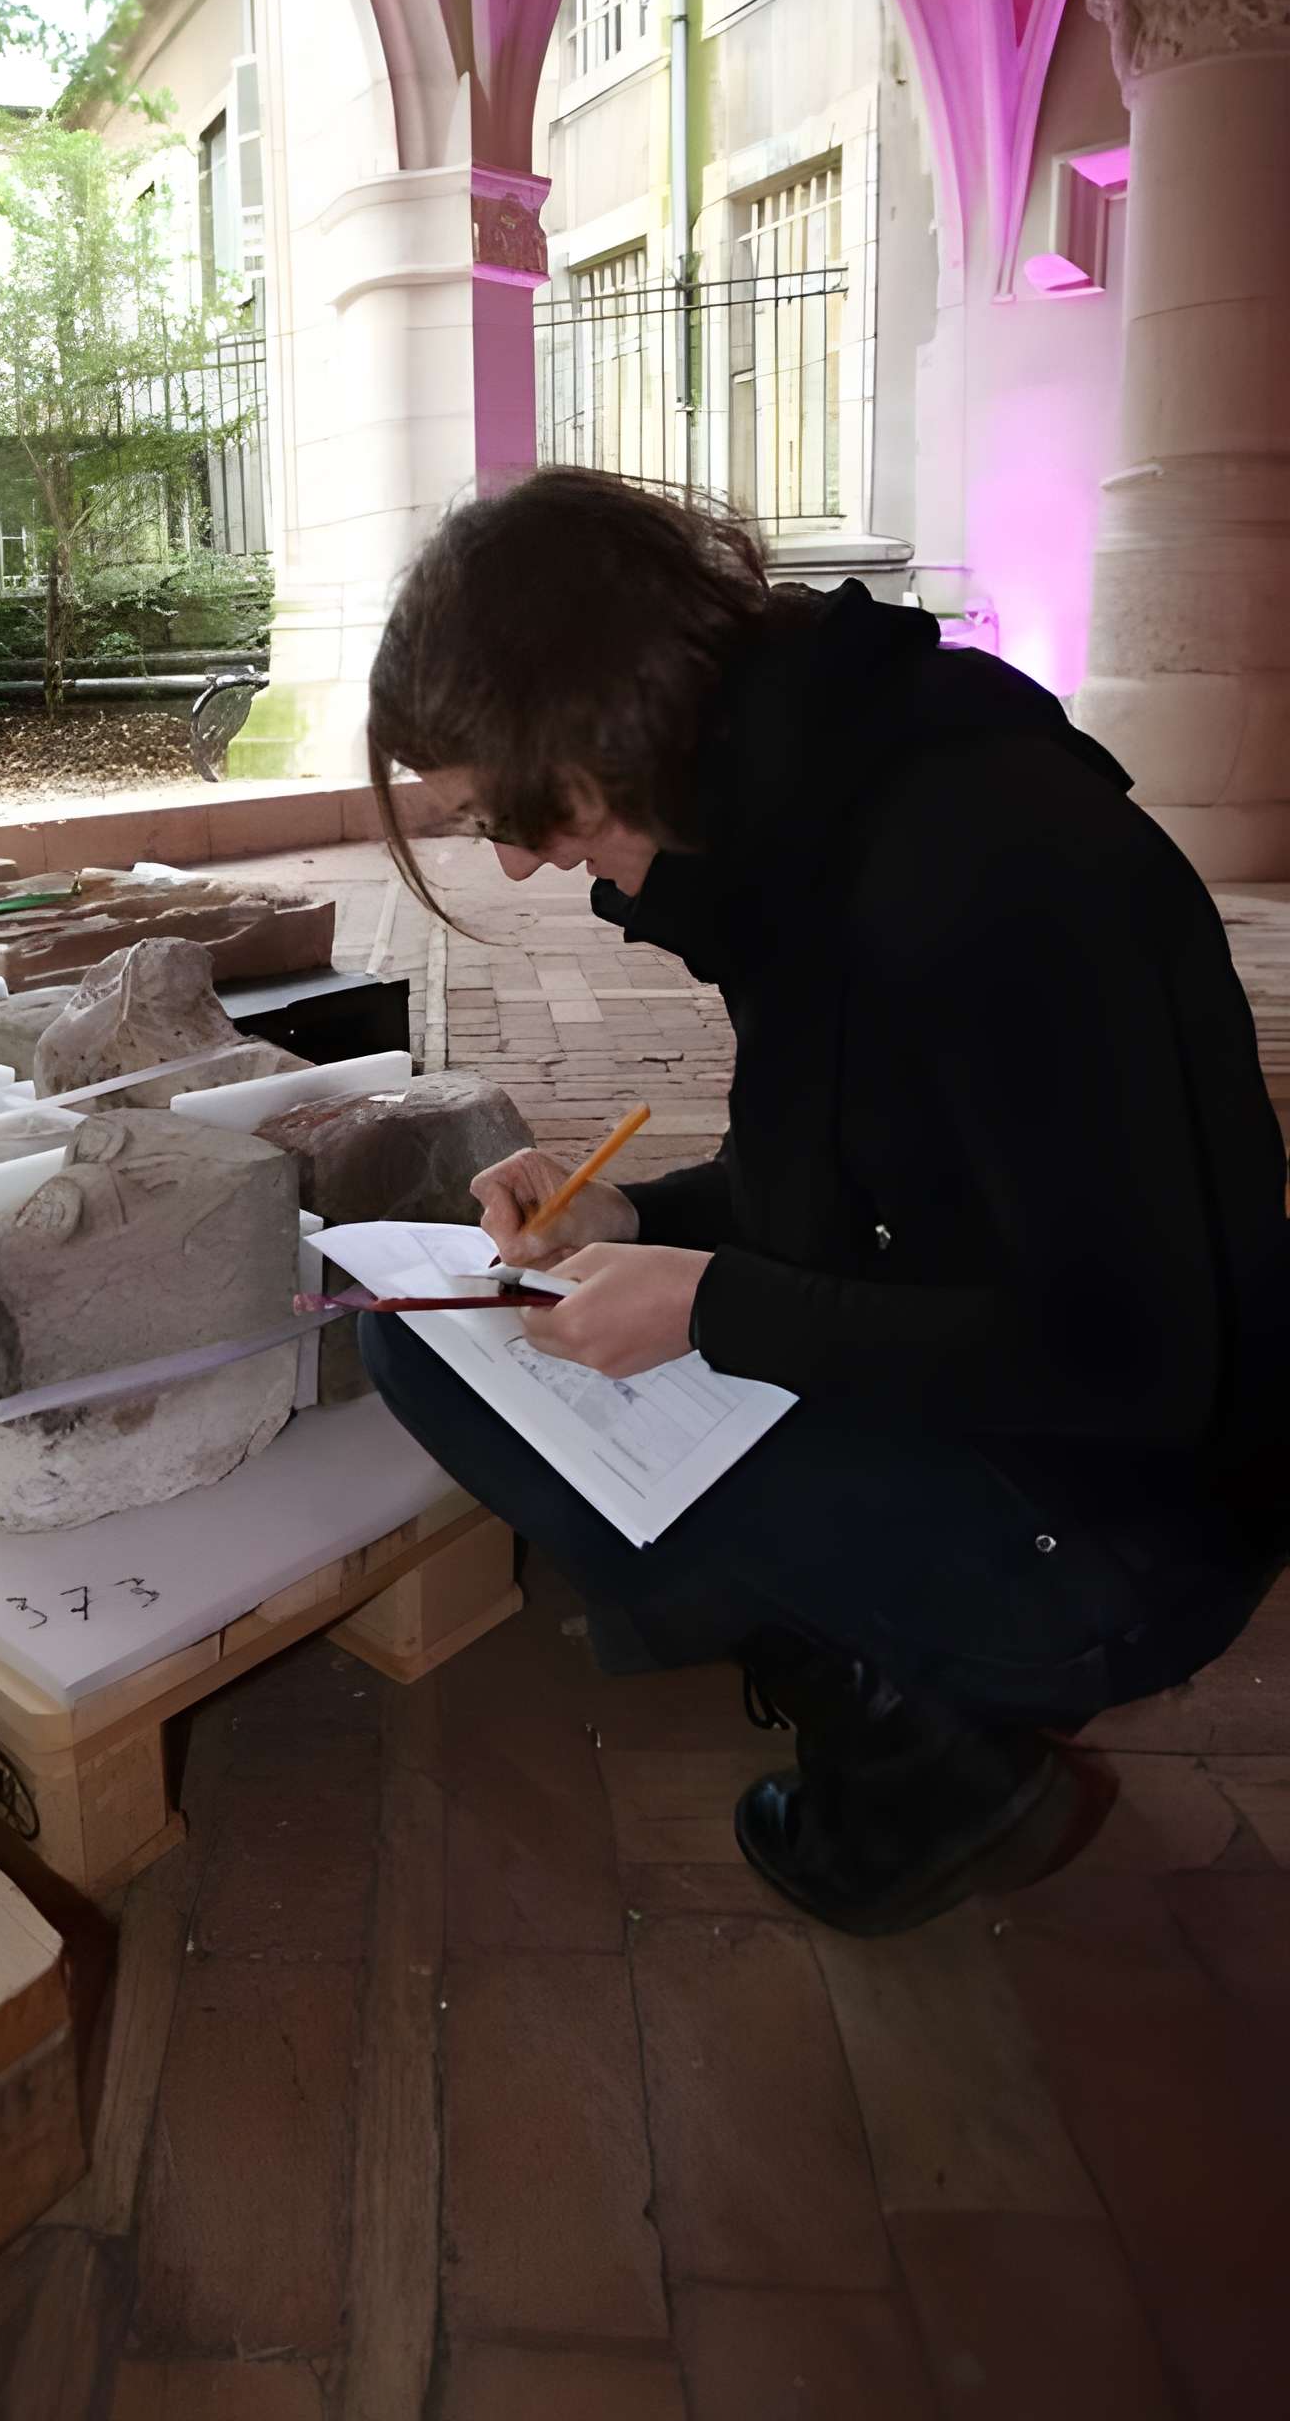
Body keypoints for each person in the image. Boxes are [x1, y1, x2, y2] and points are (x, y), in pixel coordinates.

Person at [358, 469, 1289, 1935]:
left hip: (1123, 1526)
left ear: (606, 723)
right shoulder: (803, 830)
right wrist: (636, 1227)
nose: (525, 858)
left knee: (554, 1391)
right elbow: (876, 1185)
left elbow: (1133, 1356)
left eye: (511, 809)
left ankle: (915, 1743)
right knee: (422, 1331)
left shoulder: (980, 862)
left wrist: (718, 1305)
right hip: (1004, 1403)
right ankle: (871, 1674)